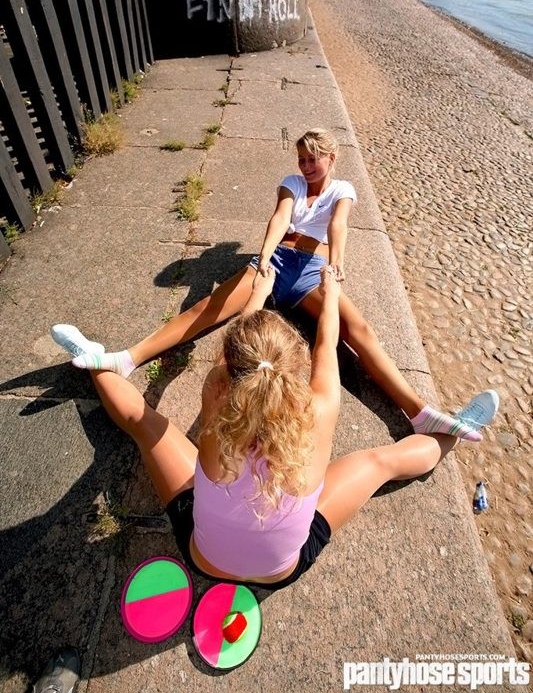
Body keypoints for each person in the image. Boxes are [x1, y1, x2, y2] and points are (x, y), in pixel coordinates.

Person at [54, 268, 492, 590]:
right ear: (295, 369)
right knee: (380, 462)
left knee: (144, 426)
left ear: (228, 371)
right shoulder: (320, 408)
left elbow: (233, 355)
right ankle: (454, 431)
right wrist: (332, 293)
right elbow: (327, 341)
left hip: (203, 559)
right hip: (279, 571)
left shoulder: (216, 396)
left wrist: (258, 292)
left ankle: (96, 360)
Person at [52, 129, 498, 443]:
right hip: (277, 261)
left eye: (313, 158)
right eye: (301, 158)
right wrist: (264, 257)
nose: (306, 166)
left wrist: (336, 267)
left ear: (331, 157)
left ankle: (419, 413)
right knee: (207, 309)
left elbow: (339, 225)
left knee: (356, 331)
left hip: (311, 271)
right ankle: (126, 359)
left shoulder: (343, 188)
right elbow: (280, 217)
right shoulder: (291, 183)